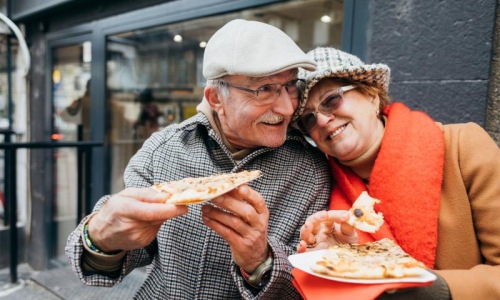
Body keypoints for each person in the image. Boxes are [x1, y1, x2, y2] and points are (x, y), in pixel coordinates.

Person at [66, 20, 356, 299]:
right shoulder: (164, 149)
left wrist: (260, 262)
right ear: (216, 98)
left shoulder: (312, 171)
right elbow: (125, 254)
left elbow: (310, 285)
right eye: (264, 89)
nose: (285, 108)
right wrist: (100, 240)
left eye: (290, 86)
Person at [294, 47, 500, 299]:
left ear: (372, 96)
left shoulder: (463, 147)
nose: (323, 121)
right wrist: (333, 264)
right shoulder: (320, 186)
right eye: (309, 119)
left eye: (331, 100)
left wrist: (436, 289)